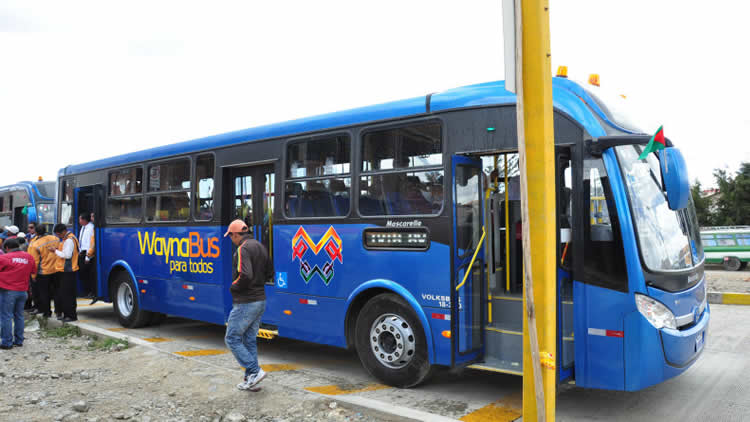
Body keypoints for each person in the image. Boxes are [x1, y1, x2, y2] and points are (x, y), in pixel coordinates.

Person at [223, 219, 272, 391]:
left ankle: (254, 370)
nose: (230, 239)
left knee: (231, 338)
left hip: (246, 301)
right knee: (249, 340)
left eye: (230, 236)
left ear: (236, 234)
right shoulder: (259, 246)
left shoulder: (243, 248)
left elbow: (245, 274)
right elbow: (269, 272)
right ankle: (251, 379)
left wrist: (233, 287)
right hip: (260, 300)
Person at [0, 238, 36, 348]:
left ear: (6, 248)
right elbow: (33, 272)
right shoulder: (29, 257)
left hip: (8, 291)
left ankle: (7, 342)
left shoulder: (4, 258)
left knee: (6, 316)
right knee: (19, 316)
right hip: (23, 292)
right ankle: (19, 340)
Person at [49, 224, 79, 322]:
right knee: (66, 294)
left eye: (59, 235)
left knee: (68, 295)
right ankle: (68, 314)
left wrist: (55, 251)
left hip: (68, 270)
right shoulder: (68, 239)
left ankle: (70, 315)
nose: (58, 237)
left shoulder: (69, 240)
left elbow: (67, 255)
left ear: (63, 232)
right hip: (66, 270)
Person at [27, 225, 59, 318]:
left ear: (36, 233)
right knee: (57, 292)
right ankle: (59, 312)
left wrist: (33, 276)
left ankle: (47, 312)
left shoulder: (35, 244)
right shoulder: (55, 238)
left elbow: (35, 261)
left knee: (44, 293)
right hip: (56, 269)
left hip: (43, 272)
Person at [77, 212, 96, 299]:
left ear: (84, 220)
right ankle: (86, 291)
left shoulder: (91, 228)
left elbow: (90, 243)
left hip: (87, 254)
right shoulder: (83, 227)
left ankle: (91, 292)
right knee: (83, 274)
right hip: (82, 252)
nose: (79, 221)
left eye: (80, 219)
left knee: (89, 275)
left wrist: (88, 256)